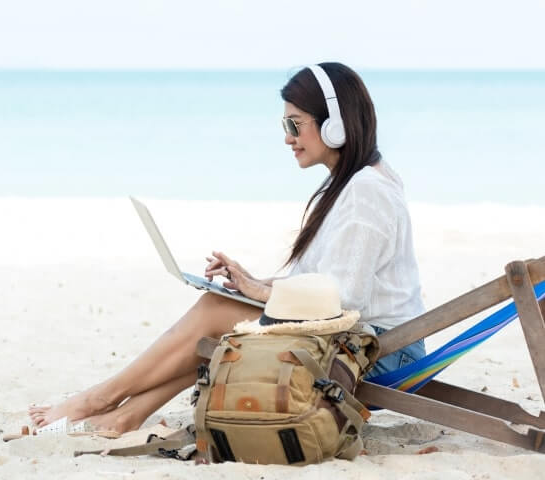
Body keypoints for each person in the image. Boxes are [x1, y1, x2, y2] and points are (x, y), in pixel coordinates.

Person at [29, 62, 426, 433]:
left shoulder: (366, 192)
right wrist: (252, 282)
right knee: (223, 318)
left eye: (295, 123)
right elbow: (321, 282)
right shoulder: (349, 185)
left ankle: (99, 399)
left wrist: (259, 294)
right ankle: (124, 416)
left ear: (334, 126)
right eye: (285, 123)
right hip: (358, 341)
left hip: (379, 354)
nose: (287, 137)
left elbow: (344, 299)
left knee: (215, 312)